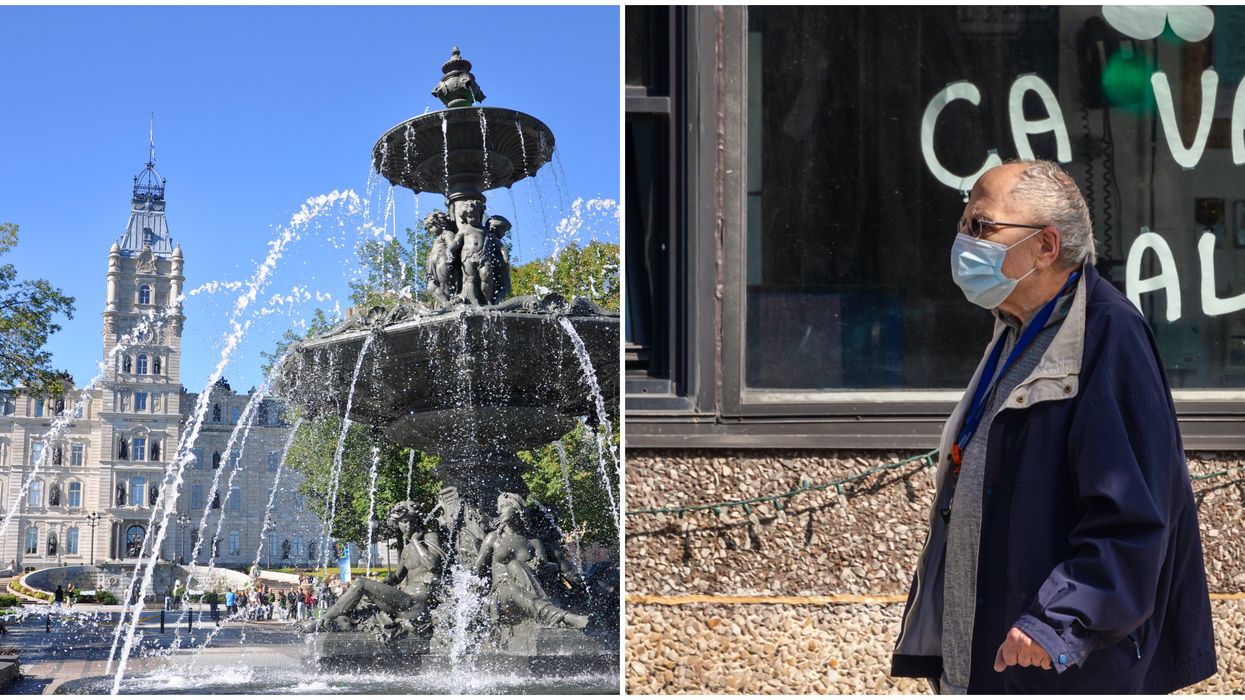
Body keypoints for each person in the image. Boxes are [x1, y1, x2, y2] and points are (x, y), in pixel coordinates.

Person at [890, 160, 1216, 694]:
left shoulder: (1108, 335)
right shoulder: (1016, 329)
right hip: (991, 659)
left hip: (1058, 666)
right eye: (963, 224)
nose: (963, 240)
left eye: (981, 226)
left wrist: (1057, 621)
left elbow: (1133, 518)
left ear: (1045, 246)